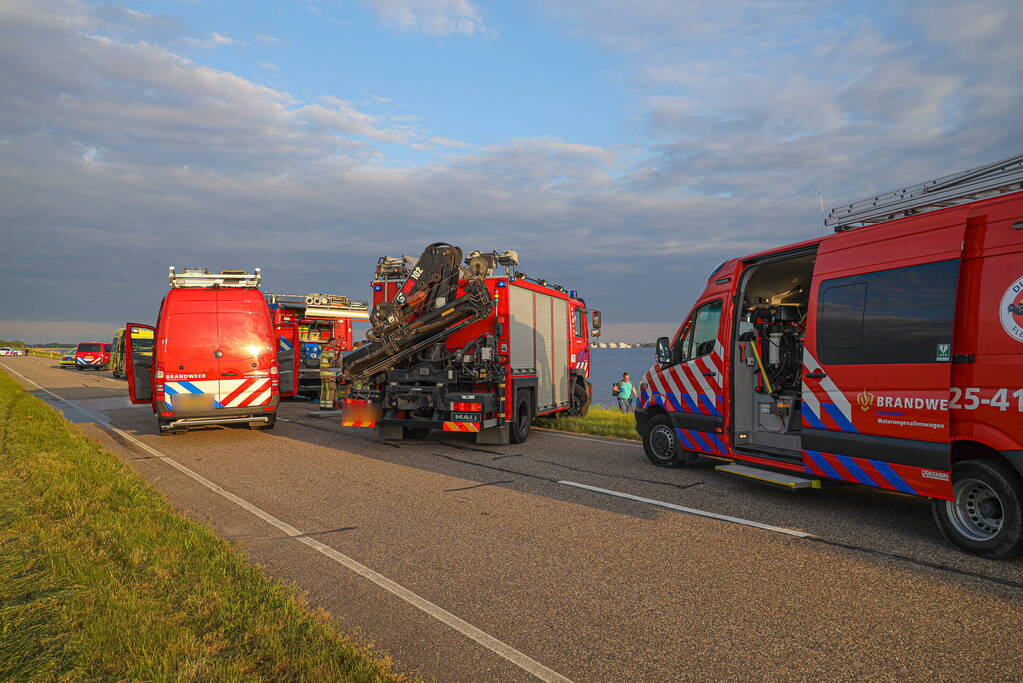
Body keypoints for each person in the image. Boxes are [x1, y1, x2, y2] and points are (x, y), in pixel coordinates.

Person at [319, 336, 342, 409]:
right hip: (329, 374)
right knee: (330, 390)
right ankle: (329, 406)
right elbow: (331, 361)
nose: (336, 343)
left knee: (324, 390)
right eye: (335, 342)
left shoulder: (324, 349)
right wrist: (339, 364)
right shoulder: (331, 350)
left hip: (323, 374)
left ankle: (323, 406)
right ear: (330, 342)